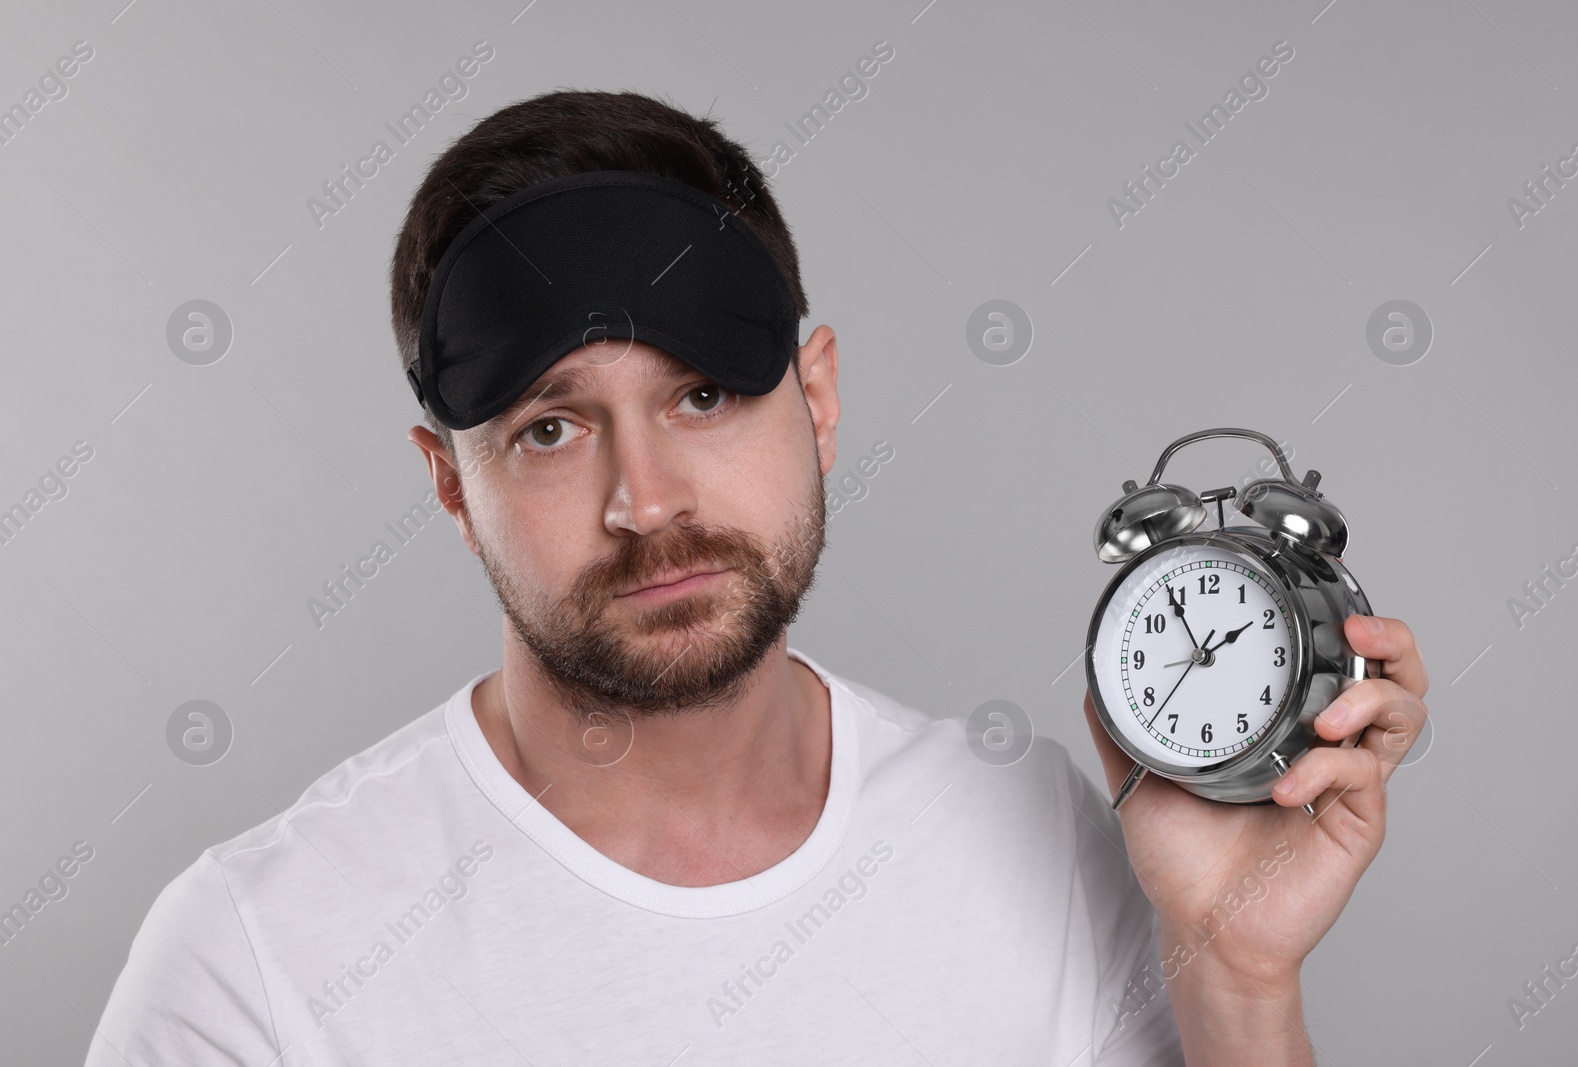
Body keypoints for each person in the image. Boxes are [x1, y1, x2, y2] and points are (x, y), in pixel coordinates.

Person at [85, 90, 1429, 1066]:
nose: (645, 500)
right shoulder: (255, 962)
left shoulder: (1041, 844)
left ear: (821, 396)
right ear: (450, 484)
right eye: (550, 428)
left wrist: (1237, 977)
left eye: (706, 392)